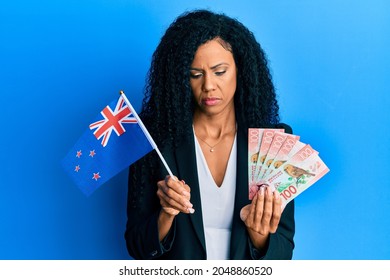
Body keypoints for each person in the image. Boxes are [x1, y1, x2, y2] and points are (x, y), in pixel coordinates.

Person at [124, 9, 295, 260]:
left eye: (220, 71)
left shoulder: (273, 143)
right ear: (180, 79)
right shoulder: (153, 140)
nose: (208, 85)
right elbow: (137, 247)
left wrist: (259, 234)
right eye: (195, 75)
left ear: (241, 70)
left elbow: (283, 252)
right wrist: (166, 214)